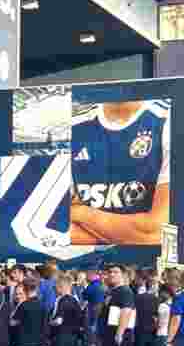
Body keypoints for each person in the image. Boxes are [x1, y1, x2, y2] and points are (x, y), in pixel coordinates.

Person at [70, 99, 170, 246]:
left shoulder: (171, 120)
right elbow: (59, 233)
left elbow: (157, 235)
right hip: (86, 264)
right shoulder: (71, 128)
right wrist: (126, 233)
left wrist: (79, 213)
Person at [82, 269, 105, 346]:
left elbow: (84, 299)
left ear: (92, 275)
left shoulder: (92, 287)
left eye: (87, 274)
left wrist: (92, 322)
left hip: (92, 320)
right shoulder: (101, 286)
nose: (86, 276)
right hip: (99, 321)